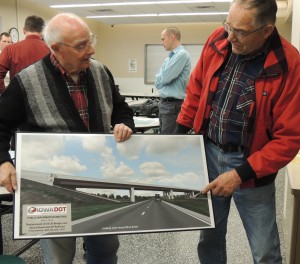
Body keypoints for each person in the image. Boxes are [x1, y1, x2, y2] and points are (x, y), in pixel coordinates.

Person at [0, 12, 135, 264]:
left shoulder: (101, 72)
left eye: (90, 41)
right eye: (82, 46)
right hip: (52, 188)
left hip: (101, 182)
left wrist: (124, 123)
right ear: (56, 50)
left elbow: (120, 108)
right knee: (59, 258)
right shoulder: (27, 82)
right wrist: (3, 161)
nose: (91, 50)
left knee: (106, 249)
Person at [175, 0, 300, 263]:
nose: (230, 36)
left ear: (266, 31)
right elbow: (196, 90)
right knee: (209, 237)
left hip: (251, 167)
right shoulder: (218, 39)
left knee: (265, 249)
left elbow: (289, 137)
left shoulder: (288, 63)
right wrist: (177, 136)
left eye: (240, 32)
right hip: (208, 154)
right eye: (228, 26)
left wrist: (241, 174)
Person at [0, 15, 50, 94]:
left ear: (23, 30)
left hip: (18, 98)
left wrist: (5, 94)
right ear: (43, 31)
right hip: (45, 97)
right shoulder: (52, 50)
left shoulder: (10, 49)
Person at [155, 27, 191, 134]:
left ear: (172, 37)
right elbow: (158, 81)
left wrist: (161, 77)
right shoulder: (170, 57)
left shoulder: (181, 55)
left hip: (172, 105)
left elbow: (165, 77)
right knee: (162, 136)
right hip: (164, 104)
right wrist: (161, 78)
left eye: (163, 39)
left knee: (168, 141)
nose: (162, 43)